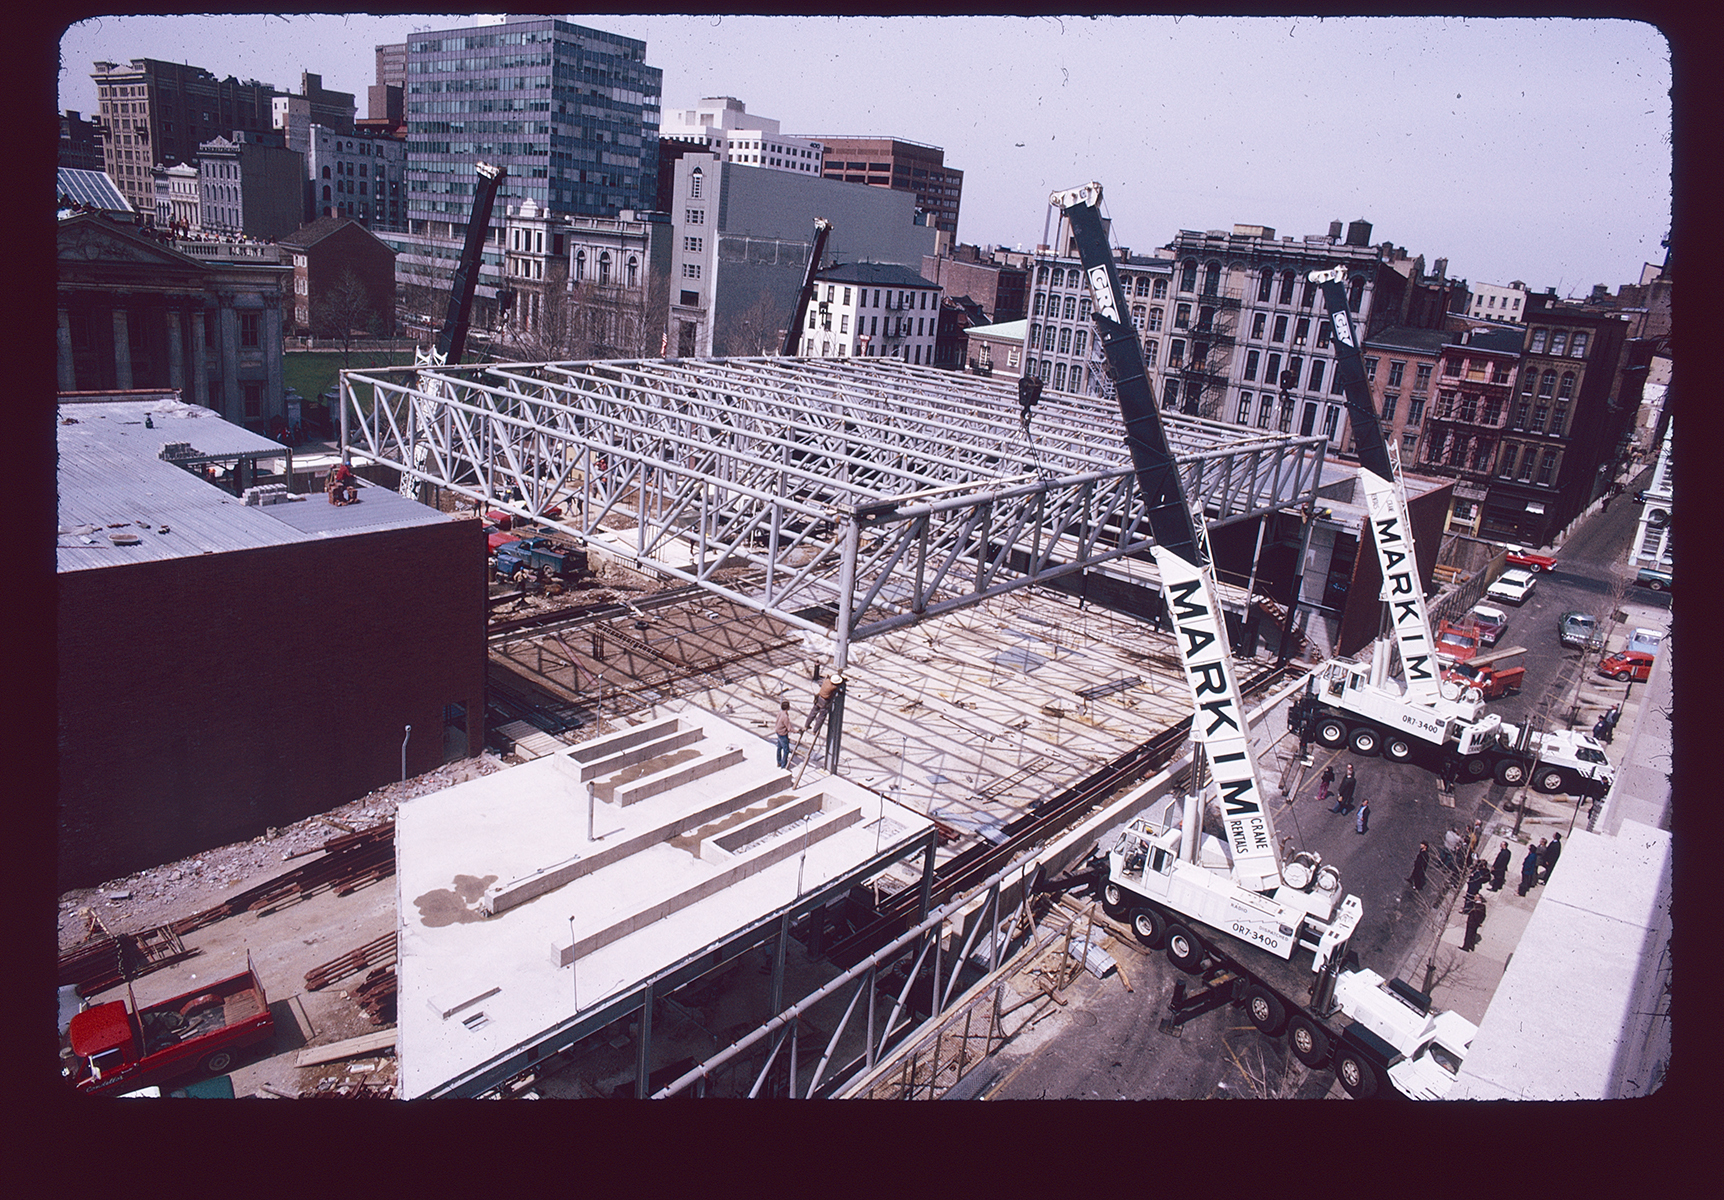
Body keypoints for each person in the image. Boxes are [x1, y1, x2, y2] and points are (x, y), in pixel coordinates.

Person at [773, 700, 794, 769]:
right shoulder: (785, 717)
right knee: (786, 750)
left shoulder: (780, 713)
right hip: (782, 734)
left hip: (778, 732)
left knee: (779, 747)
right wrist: (797, 731)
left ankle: (779, 762)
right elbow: (789, 728)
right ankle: (783, 765)